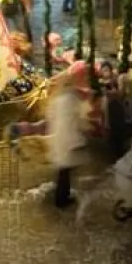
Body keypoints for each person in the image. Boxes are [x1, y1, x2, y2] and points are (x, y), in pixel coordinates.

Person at [46, 71, 87, 208]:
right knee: (65, 171)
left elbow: (50, 116)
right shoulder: (71, 99)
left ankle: (62, 195)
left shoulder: (57, 100)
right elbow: (79, 116)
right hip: (67, 139)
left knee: (64, 170)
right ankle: (62, 200)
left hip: (59, 138)